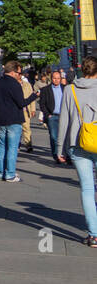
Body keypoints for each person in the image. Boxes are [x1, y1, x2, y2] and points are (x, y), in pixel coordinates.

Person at [58, 56, 97, 247]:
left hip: (78, 143)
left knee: (88, 189)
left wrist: (59, 148)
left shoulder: (70, 89)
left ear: (82, 70)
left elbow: (63, 120)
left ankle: (94, 235)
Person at [0, 60, 38, 183]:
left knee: (2, 146)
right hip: (14, 119)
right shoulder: (15, 84)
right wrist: (34, 96)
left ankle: (1, 172)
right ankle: (10, 174)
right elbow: (21, 103)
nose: (20, 75)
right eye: (19, 73)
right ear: (12, 72)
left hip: (1, 118)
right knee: (12, 147)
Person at [39, 68, 67, 162]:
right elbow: (42, 104)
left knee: (66, 136)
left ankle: (66, 156)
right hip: (52, 116)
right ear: (51, 78)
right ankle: (56, 156)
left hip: (64, 116)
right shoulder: (45, 90)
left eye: (58, 78)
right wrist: (48, 115)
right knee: (54, 137)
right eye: (54, 78)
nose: (56, 80)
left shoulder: (65, 88)